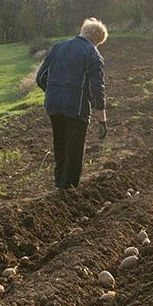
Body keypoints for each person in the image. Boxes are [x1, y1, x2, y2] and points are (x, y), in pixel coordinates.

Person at [35, 18, 108, 190]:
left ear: (83, 31)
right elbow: (97, 87)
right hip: (76, 107)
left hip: (53, 104)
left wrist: (54, 91)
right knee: (74, 152)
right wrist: (101, 117)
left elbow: (40, 77)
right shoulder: (93, 54)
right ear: (97, 40)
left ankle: (59, 187)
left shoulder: (58, 47)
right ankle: (68, 192)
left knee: (60, 146)